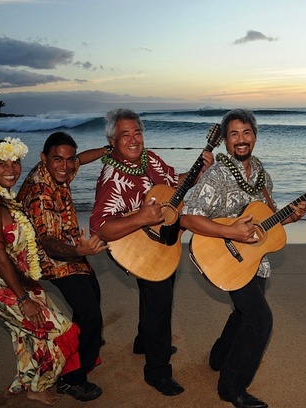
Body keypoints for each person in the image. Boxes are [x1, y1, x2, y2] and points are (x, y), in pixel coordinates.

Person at [180, 108, 306, 408]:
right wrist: (233, 233)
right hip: (223, 255)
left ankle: (219, 356)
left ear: (255, 137)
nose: (241, 139)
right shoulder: (217, 175)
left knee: (243, 313)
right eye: (234, 134)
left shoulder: (263, 177)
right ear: (225, 140)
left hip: (254, 259)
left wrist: (291, 217)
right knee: (260, 319)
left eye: (246, 132)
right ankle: (232, 388)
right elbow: (188, 219)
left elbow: (265, 222)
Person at [88, 108, 214, 396]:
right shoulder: (112, 177)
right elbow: (100, 227)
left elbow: (174, 183)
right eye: (125, 135)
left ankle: (144, 340)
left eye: (137, 132)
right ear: (113, 140)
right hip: (129, 244)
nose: (133, 139)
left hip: (158, 236)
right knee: (158, 296)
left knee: (163, 283)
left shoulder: (150, 158)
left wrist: (199, 171)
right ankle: (157, 371)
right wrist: (141, 219)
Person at [0, 137, 81, 406]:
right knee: (60, 331)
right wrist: (23, 298)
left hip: (18, 282)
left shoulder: (3, 197)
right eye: (2, 163)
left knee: (25, 336)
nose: (11, 168)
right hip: (4, 288)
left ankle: (25, 383)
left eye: (15, 161)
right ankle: (38, 385)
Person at [17, 131, 109, 402]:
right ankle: (72, 380)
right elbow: (48, 242)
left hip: (70, 248)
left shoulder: (62, 167)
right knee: (91, 314)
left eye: (68, 160)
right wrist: (78, 250)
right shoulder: (40, 191)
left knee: (92, 302)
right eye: (58, 159)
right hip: (49, 258)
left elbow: (81, 158)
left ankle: (77, 346)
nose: (66, 165)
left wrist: (108, 149)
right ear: (43, 158)